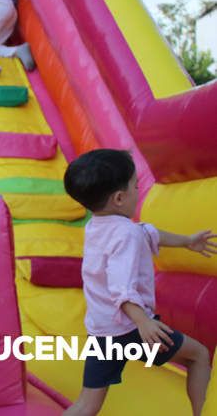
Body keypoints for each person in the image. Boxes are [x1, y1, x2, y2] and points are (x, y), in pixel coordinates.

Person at [63, 149, 216, 416]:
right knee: (199, 356)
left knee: (87, 405)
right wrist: (143, 321)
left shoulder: (96, 225)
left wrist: (187, 241)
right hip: (131, 329)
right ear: (120, 198)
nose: (138, 190)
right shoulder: (126, 235)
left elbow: (148, 232)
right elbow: (121, 288)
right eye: (136, 186)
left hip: (102, 332)